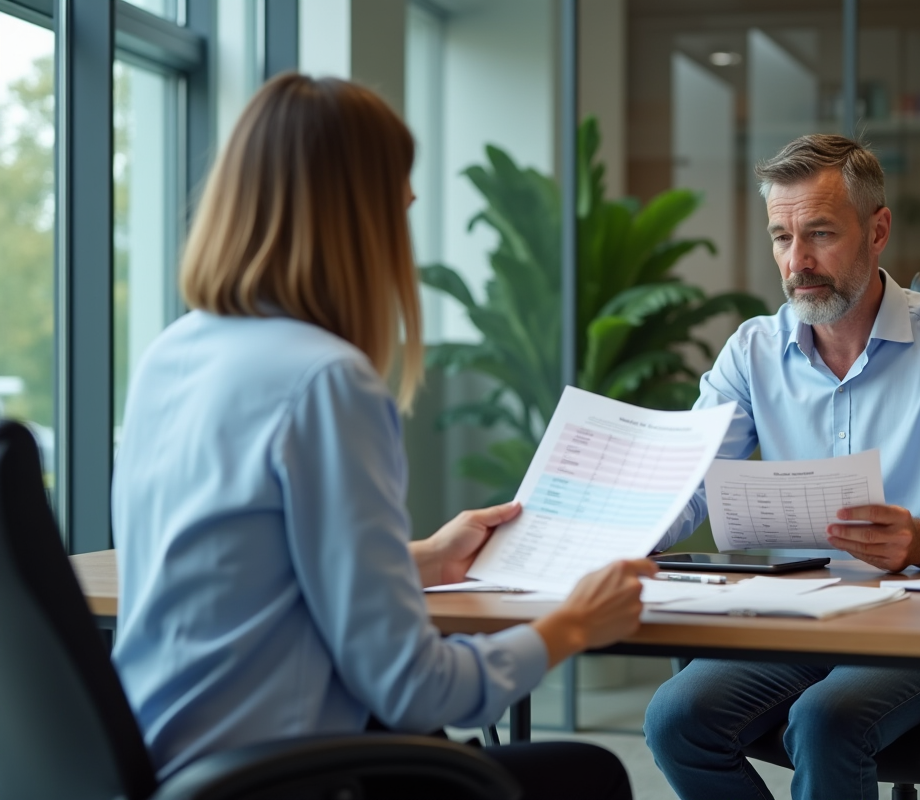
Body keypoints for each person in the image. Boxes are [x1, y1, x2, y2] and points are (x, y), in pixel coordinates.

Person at [111, 73, 654, 800]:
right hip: (276, 779)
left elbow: (251, 573)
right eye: (398, 198)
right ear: (356, 220)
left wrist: (424, 558)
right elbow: (414, 689)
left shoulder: (170, 354)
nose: (410, 208)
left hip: (162, 764)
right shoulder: (325, 381)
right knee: (587, 777)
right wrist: (571, 626)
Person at [642, 134, 920, 800]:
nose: (798, 262)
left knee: (826, 722)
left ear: (878, 230)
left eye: (820, 233)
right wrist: (620, 531)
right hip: (800, 615)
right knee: (676, 718)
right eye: (781, 238)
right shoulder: (752, 351)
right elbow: (687, 480)